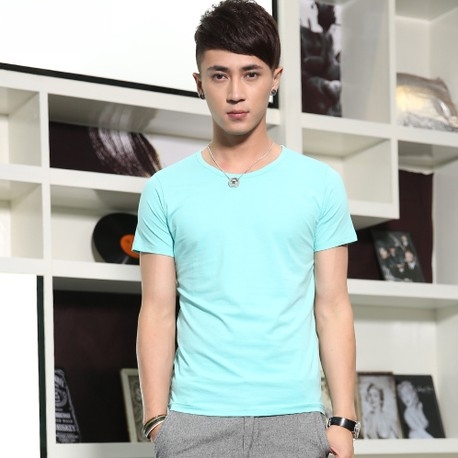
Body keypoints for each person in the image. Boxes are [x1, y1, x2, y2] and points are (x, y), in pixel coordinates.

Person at [133, 1, 358, 456]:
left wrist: (344, 421)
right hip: (194, 422)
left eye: (251, 74)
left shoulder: (320, 185)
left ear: (275, 79)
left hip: (295, 420)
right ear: (199, 83)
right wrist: (157, 421)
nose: (235, 92)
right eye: (220, 75)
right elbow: (156, 310)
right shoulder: (163, 190)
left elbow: (333, 306)